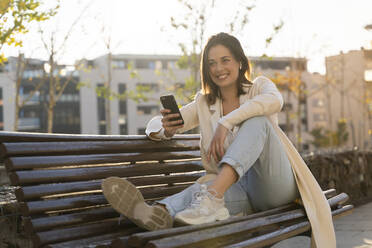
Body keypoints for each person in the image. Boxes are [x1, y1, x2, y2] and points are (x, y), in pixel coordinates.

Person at [102, 32, 336, 247]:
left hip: (274, 187)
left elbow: (275, 102)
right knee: (202, 188)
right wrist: (167, 129)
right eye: (211, 63)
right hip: (238, 193)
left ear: (239, 62)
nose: (218, 68)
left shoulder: (259, 88)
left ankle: (212, 198)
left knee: (258, 121)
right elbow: (155, 125)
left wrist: (227, 122)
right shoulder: (204, 103)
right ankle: (158, 212)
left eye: (225, 60)